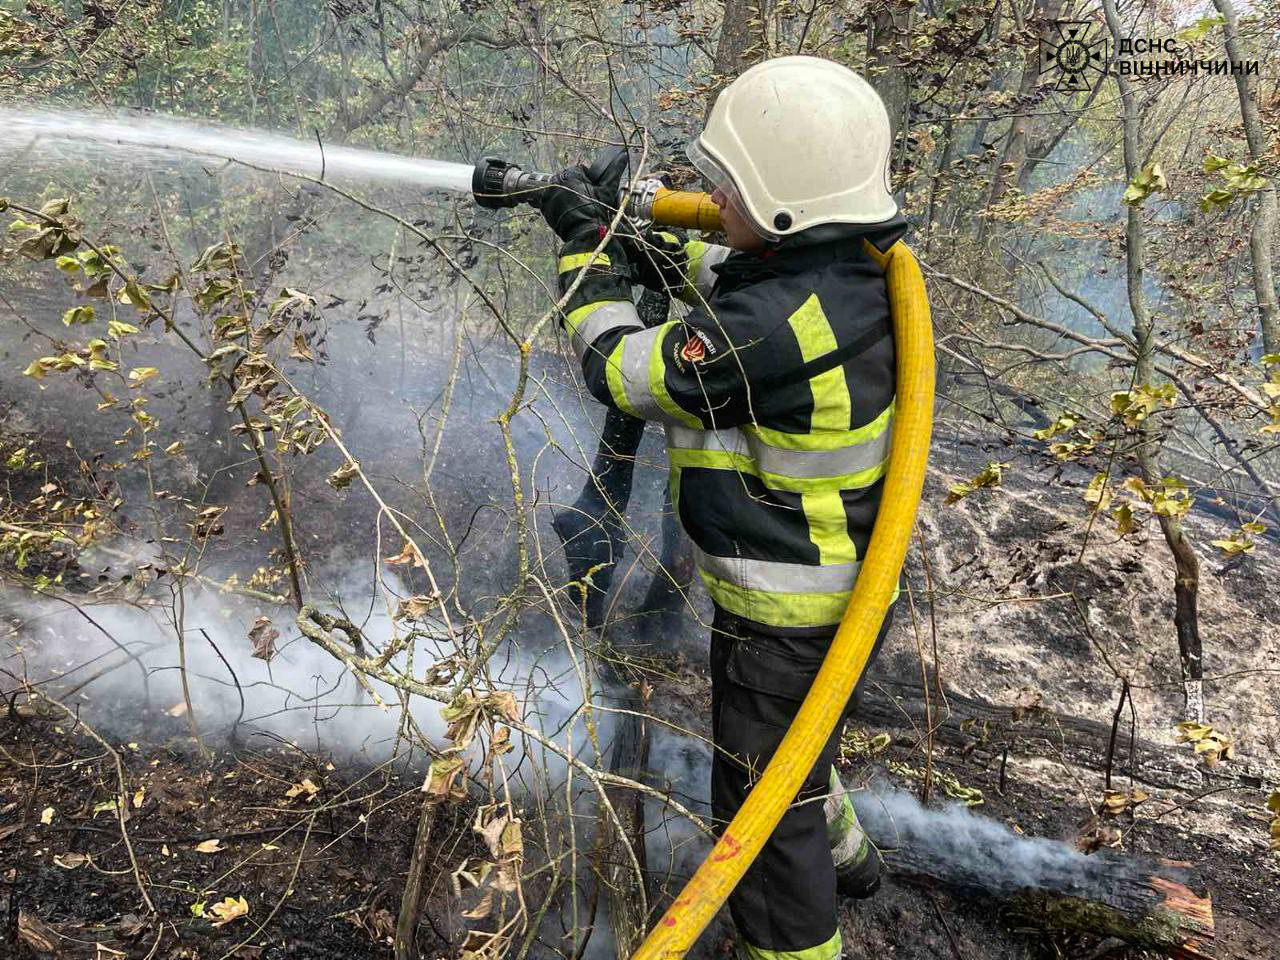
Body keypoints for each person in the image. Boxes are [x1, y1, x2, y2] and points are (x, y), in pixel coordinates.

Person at [539, 55, 905, 960]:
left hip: (791, 616)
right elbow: (729, 271)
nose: (710, 195)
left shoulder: (771, 329)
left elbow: (624, 372)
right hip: (837, 596)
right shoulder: (841, 272)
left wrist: (587, 259)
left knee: (759, 808)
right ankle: (855, 865)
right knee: (795, 751)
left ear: (783, 202)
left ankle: (798, 943)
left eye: (727, 184)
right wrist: (633, 229)